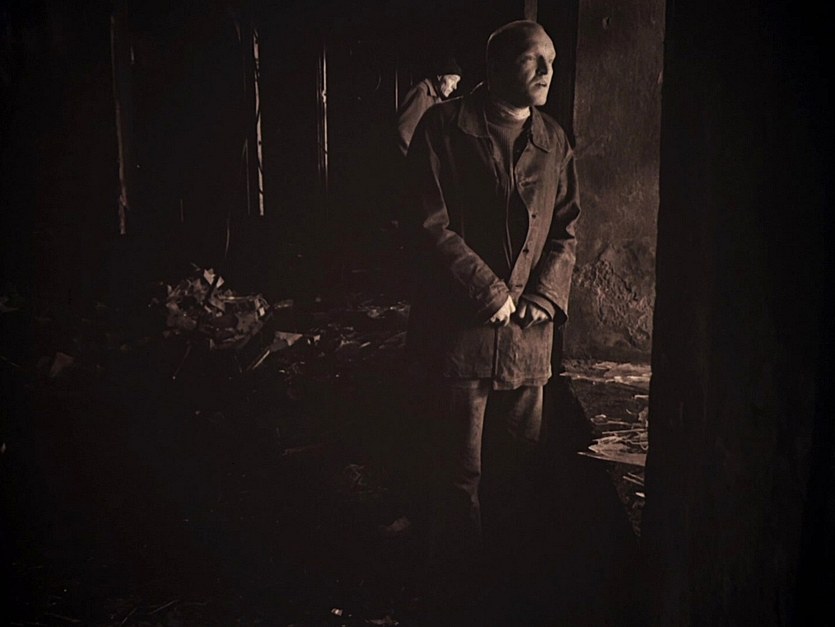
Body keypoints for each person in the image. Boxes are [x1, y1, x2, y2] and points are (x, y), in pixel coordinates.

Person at [402, 19, 581, 611]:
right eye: (534, 59)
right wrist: (487, 290)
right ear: (498, 65)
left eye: (551, 60)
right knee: (458, 475)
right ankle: (457, 596)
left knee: (518, 469)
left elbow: (568, 228)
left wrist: (541, 296)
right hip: (460, 337)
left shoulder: (553, 138)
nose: (547, 71)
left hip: (529, 337)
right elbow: (428, 224)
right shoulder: (443, 128)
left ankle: (508, 590)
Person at [395, 57, 462, 157]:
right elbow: (404, 133)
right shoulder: (421, 93)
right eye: (453, 80)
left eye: (457, 82)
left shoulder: (437, 98)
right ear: (439, 76)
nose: (455, 87)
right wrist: (413, 161)